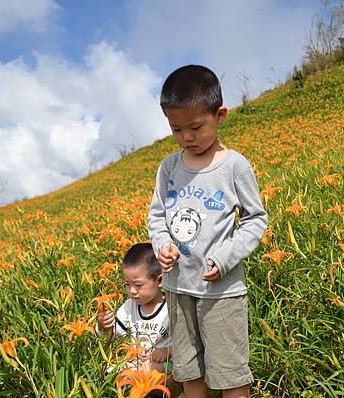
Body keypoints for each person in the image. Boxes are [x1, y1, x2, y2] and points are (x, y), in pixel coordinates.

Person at [147, 65, 268, 398]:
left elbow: (256, 218)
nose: (187, 137)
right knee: (188, 369)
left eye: (196, 127)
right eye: (177, 129)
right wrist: (163, 244)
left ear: (220, 114)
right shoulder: (168, 167)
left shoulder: (234, 166)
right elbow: (157, 216)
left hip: (222, 293)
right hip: (177, 288)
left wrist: (225, 258)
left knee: (230, 373)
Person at [96, 243, 173, 378]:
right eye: (127, 284)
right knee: (109, 372)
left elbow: (188, 344)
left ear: (160, 280)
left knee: (149, 369)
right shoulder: (129, 306)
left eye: (138, 285)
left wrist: (168, 351)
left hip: (166, 364)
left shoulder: (171, 307)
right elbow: (113, 337)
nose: (131, 291)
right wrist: (104, 327)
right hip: (135, 362)